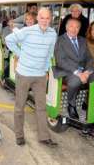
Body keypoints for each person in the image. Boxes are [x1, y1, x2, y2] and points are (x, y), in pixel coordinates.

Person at [5, 8, 58, 147]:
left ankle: (44, 137)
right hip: (24, 74)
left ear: (50, 19)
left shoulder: (53, 34)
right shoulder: (28, 31)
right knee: (19, 106)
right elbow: (8, 40)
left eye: (47, 18)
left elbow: (50, 53)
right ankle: (19, 135)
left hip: (40, 76)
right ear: (37, 18)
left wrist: (46, 70)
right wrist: (20, 54)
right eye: (42, 18)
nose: (45, 21)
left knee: (41, 108)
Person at [53, 18, 94, 119]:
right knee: (75, 80)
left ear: (80, 29)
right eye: (71, 26)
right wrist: (78, 73)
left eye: (77, 27)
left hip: (83, 71)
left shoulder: (83, 40)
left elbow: (90, 58)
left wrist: (87, 72)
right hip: (66, 71)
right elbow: (61, 61)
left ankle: (90, 103)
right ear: (66, 27)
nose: (74, 29)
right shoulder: (60, 40)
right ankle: (71, 104)